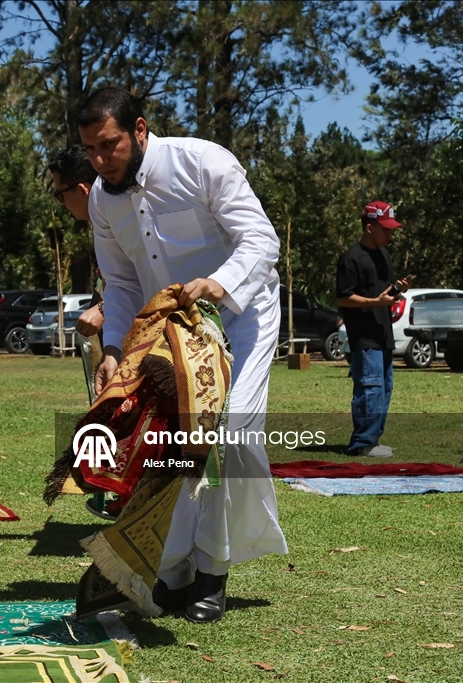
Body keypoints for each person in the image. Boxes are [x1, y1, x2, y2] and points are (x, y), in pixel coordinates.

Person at [79, 86, 287, 623]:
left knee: (229, 438)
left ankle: (213, 570)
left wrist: (218, 284)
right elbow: (122, 285)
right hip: (169, 332)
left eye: (110, 146)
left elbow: (262, 242)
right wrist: (111, 350)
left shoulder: (203, 161)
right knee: (170, 446)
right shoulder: (102, 197)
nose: (101, 161)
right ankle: (173, 572)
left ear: (141, 129)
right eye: (91, 151)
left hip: (243, 316)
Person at [336, 201, 410, 458]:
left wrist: (398, 289)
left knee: (385, 387)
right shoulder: (351, 258)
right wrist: (375, 302)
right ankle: (362, 443)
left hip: (384, 333)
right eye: (385, 229)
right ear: (369, 228)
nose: (390, 233)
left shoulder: (384, 256)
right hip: (364, 335)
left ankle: (374, 439)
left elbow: (384, 292)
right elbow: (344, 298)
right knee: (370, 387)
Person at [48, 146, 104, 338]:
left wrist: (104, 309)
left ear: (82, 190)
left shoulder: (122, 220)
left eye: (60, 195)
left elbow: (147, 278)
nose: (62, 204)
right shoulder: (101, 223)